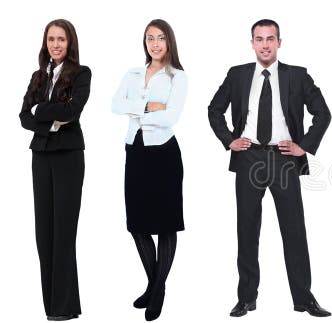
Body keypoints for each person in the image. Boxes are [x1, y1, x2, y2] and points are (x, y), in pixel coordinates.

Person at [207, 18, 332, 318]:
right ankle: (246, 298)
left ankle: (304, 298)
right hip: (249, 156)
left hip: (284, 158)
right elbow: (214, 109)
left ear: (279, 42)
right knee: (247, 230)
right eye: (259, 39)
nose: (265, 44)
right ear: (252, 43)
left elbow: (323, 113)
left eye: (270, 38)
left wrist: (304, 146)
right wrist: (229, 140)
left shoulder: (297, 76)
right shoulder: (237, 75)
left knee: (294, 230)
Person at [111, 19, 187, 321]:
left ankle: (157, 291)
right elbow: (114, 105)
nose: (155, 44)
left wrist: (140, 108)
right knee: (138, 224)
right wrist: (149, 105)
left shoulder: (178, 77)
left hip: (165, 154)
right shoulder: (132, 73)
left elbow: (171, 117)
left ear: (169, 42)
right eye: (150, 38)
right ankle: (156, 284)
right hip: (136, 151)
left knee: (167, 224)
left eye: (160, 38)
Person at [19, 18, 91, 322]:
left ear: (70, 42)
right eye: (51, 39)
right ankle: (55, 307)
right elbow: (23, 116)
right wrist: (48, 117)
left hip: (68, 157)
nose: (56, 44)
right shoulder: (38, 76)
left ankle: (63, 308)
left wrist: (40, 110)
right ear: (45, 42)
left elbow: (72, 112)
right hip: (41, 156)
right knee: (43, 233)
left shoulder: (81, 74)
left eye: (61, 39)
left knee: (63, 232)